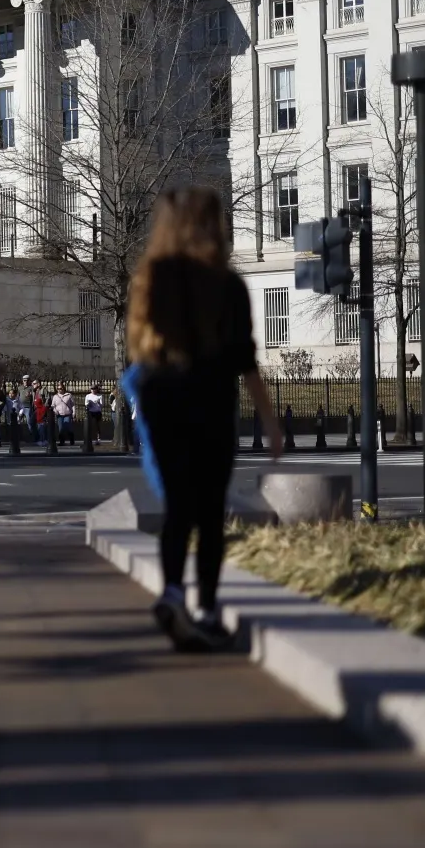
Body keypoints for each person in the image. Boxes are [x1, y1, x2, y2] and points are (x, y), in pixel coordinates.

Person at [124, 187, 281, 655]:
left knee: (178, 505)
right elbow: (244, 358)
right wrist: (270, 421)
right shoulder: (226, 283)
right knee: (210, 510)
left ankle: (173, 591)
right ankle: (208, 609)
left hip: (161, 396)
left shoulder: (151, 277)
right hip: (209, 396)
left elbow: (139, 347)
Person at [84, 384, 105, 448]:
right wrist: (89, 403)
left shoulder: (100, 396)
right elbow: (86, 404)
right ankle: (89, 439)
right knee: (90, 426)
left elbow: (102, 405)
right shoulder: (88, 396)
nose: (93, 390)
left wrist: (98, 402)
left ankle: (98, 439)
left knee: (97, 426)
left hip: (97, 412)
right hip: (90, 412)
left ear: (96, 389)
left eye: (94, 389)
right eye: (92, 389)